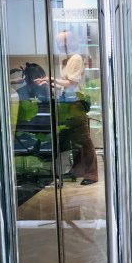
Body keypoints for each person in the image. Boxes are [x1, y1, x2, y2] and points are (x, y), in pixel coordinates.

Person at [36, 30, 98, 185]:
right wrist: (50, 83)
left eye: (62, 42)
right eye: (58, 42)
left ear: (70, 42)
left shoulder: (76, 58)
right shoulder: (67, 60)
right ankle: (79, 170)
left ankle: (92, 173)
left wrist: (51, 80)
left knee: (83, 139)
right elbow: (65, 85)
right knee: (74, 139)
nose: (59, 45)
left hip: (76, 102)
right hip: (68, 101)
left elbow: (72, 83)